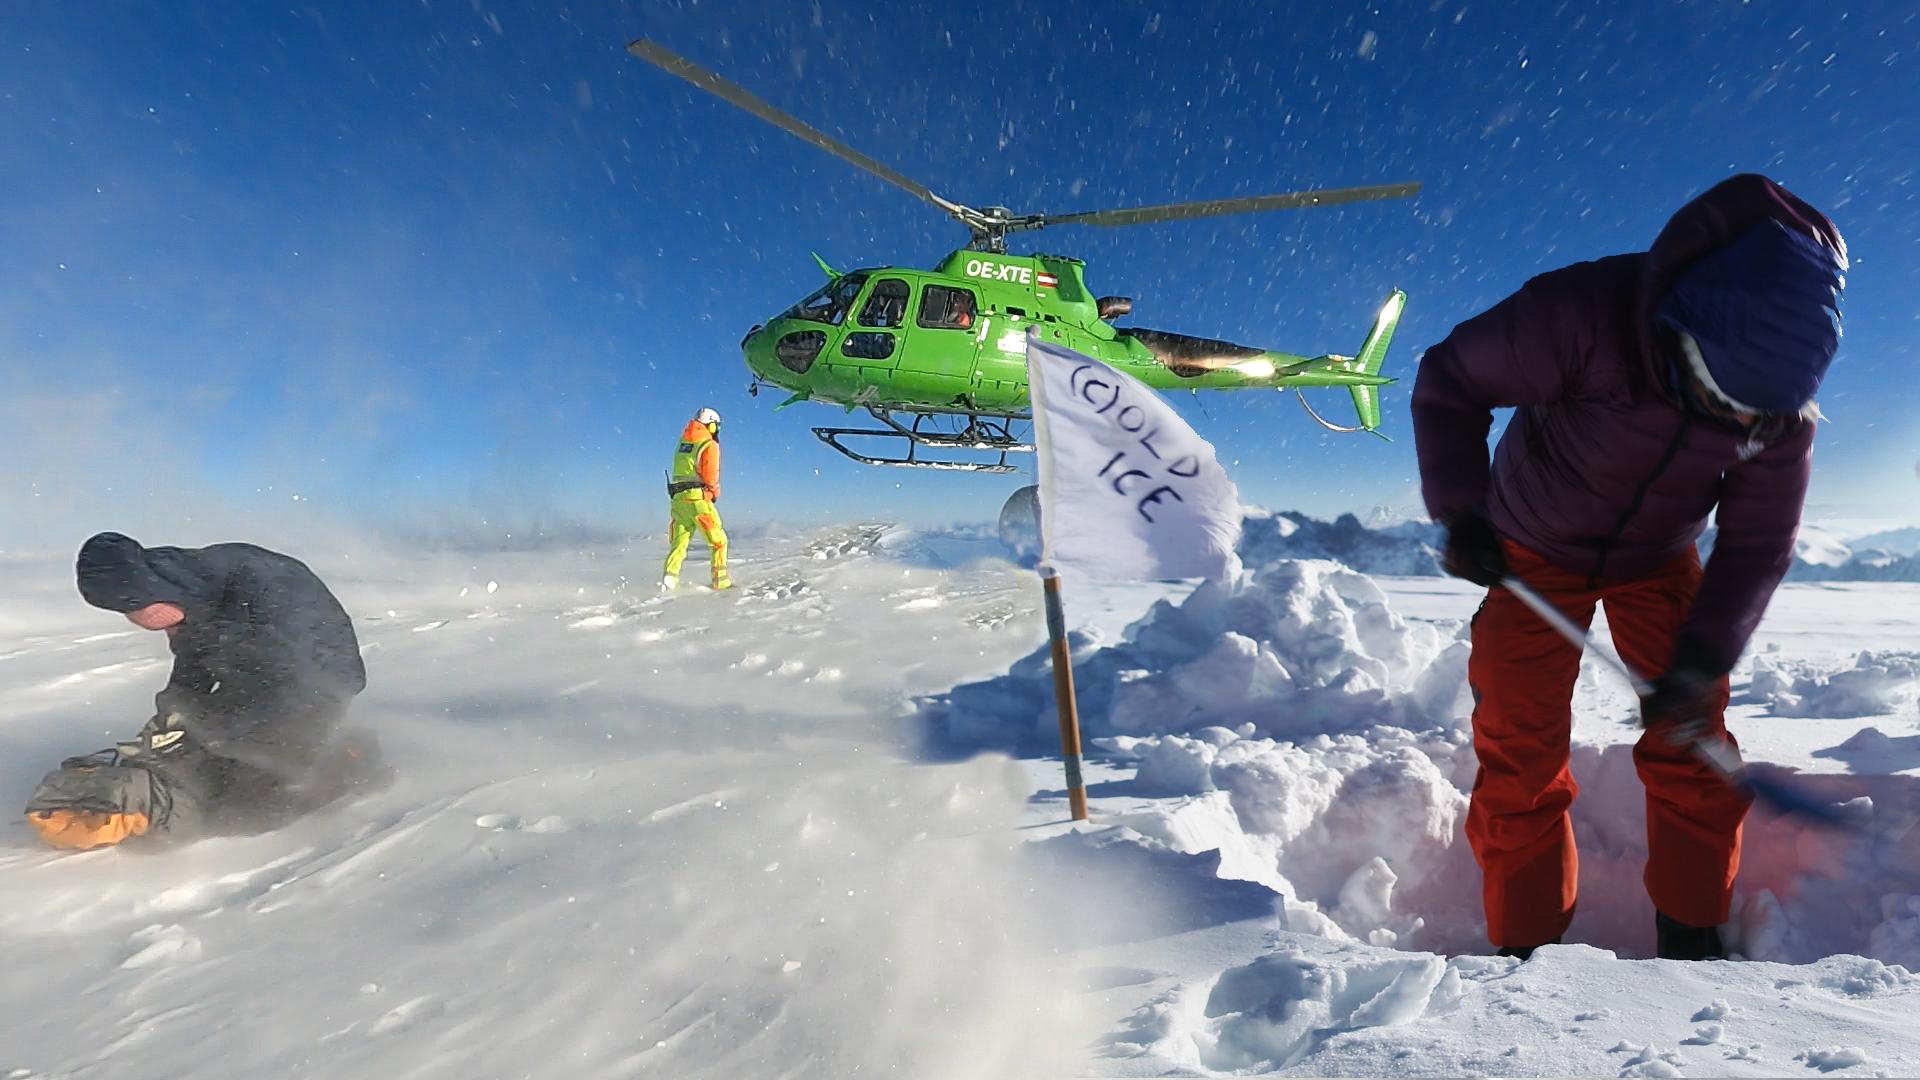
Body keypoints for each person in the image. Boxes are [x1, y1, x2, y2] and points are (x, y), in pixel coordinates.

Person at [1411, 174, 1847, 961]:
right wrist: (1462, 508)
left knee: (1692, 743)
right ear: (1682, 336)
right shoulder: (1584, 314)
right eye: (1720, 398)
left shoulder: (1779, 416)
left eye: (1755, 418)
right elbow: (1450, 382)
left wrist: (1702, 658)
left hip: (1659, 559)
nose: (1737, 423)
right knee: (1520, 755)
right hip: (1529, 549)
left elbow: (1756, 545)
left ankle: (1692, 937)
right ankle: (1527, 956)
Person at [25, 533, 378, 850]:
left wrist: (231, 736)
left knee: (250, 806)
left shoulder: (266, 588)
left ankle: (349, 762)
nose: (134, 619)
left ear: (153, 591)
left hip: (316, 684)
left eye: (135, 608)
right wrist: (170, 718)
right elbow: (193, 668)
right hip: (255, 680)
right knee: (199, 753)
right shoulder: (190, 592)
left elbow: (301, 677)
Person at [663, 406, 732, 591]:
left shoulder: (683, 443)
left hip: (678, 500)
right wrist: (714, 492)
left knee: (679, 543)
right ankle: (721, 582)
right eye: (716, 426)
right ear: (710, 425)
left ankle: (670, 578)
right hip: (697, 501)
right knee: (719, 542)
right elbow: (711, 475)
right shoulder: (709, 444)